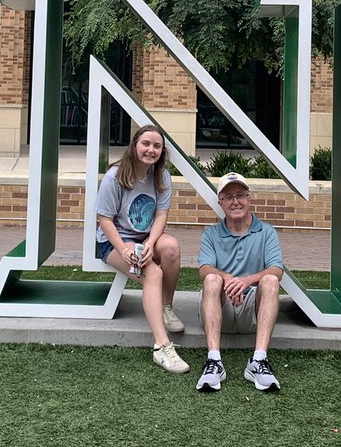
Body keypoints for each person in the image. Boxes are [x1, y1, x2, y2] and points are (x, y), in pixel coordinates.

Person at [94, 123, 189, 374]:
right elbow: (104, 219)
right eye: (146, 144)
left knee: (170, 247)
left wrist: (149, 243)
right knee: (154, 273)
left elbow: (160, 215)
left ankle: (166, 308)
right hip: (113, 242)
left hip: (145, 238)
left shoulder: (161, 175)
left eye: (157, 146)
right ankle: (162, 347)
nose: (151, 150)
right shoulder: (116, 176)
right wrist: (124, 249)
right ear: (135, 145)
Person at [196, 171, 284, 392]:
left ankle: (259, 361)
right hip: (222, 305)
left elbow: (277, 268)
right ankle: (214, 361)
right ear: (221, 202)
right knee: (212, 279)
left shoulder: (267, 231)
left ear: (249, 198)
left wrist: (246, 281)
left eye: (240, 195)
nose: (235, 201)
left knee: (271, 280)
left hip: (252, 309)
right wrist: (229, 280)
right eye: (228, 197)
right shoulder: (211, 233)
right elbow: (204, 268)